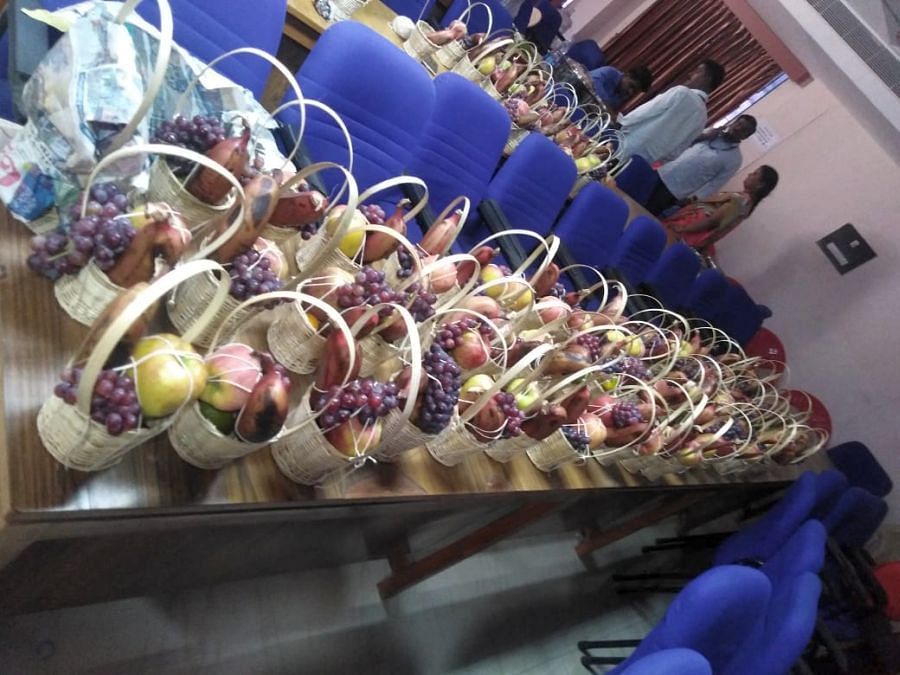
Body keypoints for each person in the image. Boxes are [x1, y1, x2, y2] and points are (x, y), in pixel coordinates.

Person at [645, 114, 758, 216]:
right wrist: (706, 135)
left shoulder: (735, 159)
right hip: (662, 171)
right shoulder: (712, 132)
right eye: (738, 124)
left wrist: (691, 199)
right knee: (631, 198)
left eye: (744, 130)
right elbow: (685, 142)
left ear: (745, 136)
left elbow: (714, 184)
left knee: (645, 212)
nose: (738, 129)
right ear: (733, 122)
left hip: (675, 191)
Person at [617, 60, 726, 165]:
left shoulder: (681, 92)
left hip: (627, 142)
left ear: (707, 78)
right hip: (644, 161)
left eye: (697, 72)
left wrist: (620, 123)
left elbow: (644, 112)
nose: (690, 74)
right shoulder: (703, 119)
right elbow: (677, 152)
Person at [662, 165, 779, 254]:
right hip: (689, 231)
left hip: (688, 233)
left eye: (754, 174)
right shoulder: (744, 202)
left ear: (760, 185)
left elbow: (713, 221)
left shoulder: (740, 201)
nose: (749, 174)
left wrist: (683, 228)